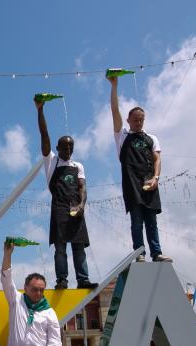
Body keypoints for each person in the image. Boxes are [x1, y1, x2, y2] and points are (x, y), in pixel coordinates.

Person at [108, 74, 171, 263]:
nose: (138, 122)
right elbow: (114, 110)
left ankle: (157, 253)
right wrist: (114, 85)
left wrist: (156, 178)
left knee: (152, 221)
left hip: (150, 183)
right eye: (135, 119)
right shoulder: (122, 136)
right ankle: (139, 253)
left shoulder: (152, 138)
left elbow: (158, 158)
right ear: (128, 120)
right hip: (132, 185)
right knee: (137, 221)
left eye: (141, 119)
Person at [35, 98, 97, 290]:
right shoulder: (51, 162)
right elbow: (44, 135)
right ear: (57, 148)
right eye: (65, 147)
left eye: (71, 147)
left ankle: (83, 280)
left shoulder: (78, 166)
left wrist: (81, 205)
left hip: (76, 208)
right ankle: (62, 280)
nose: (68, 150)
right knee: (60, 248)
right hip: (59, 209)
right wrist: (40, 110)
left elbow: (82, 188)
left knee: (79, 248)